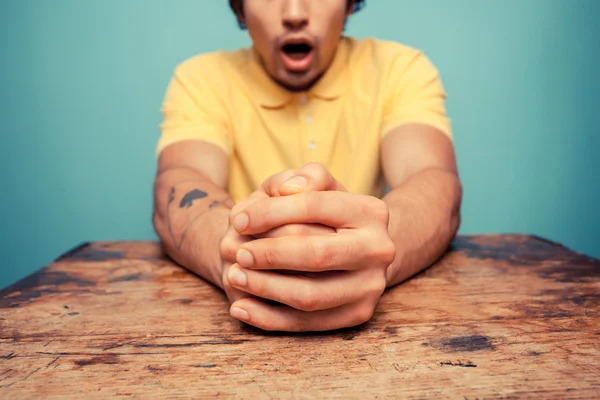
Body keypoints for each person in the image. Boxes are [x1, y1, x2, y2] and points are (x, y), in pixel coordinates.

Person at [152, 0, 462, 332]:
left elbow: (432, 180)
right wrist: (236, 256)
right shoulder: (201, 79)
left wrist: (368, 254)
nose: (295, 13)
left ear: (348, 5)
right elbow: (181, 181)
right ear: (240, 9)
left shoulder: (400, 68)